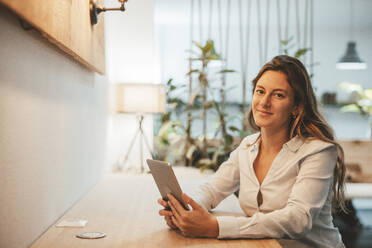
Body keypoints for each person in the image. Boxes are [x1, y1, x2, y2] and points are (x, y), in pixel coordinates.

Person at [158, 55, 347, 247]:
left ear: (296, 107)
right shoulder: (247, 147)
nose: (264, 102)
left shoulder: (318, 151)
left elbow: (297, 219)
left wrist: (215, 227)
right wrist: (187, 211)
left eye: (278, 95)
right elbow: (213, 189)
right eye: (260, 91)